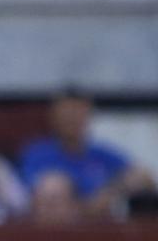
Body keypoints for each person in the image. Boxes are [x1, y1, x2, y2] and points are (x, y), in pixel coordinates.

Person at [19, 91, 155, 218]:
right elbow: (31, 199)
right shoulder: (38, 155)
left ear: (88, 117)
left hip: (102, 229)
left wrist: (114, 190)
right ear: (54, 117)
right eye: (67, 116)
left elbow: (144, 176)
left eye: (77, 115)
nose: (72, 121)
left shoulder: (101, 153)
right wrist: (90, 206)